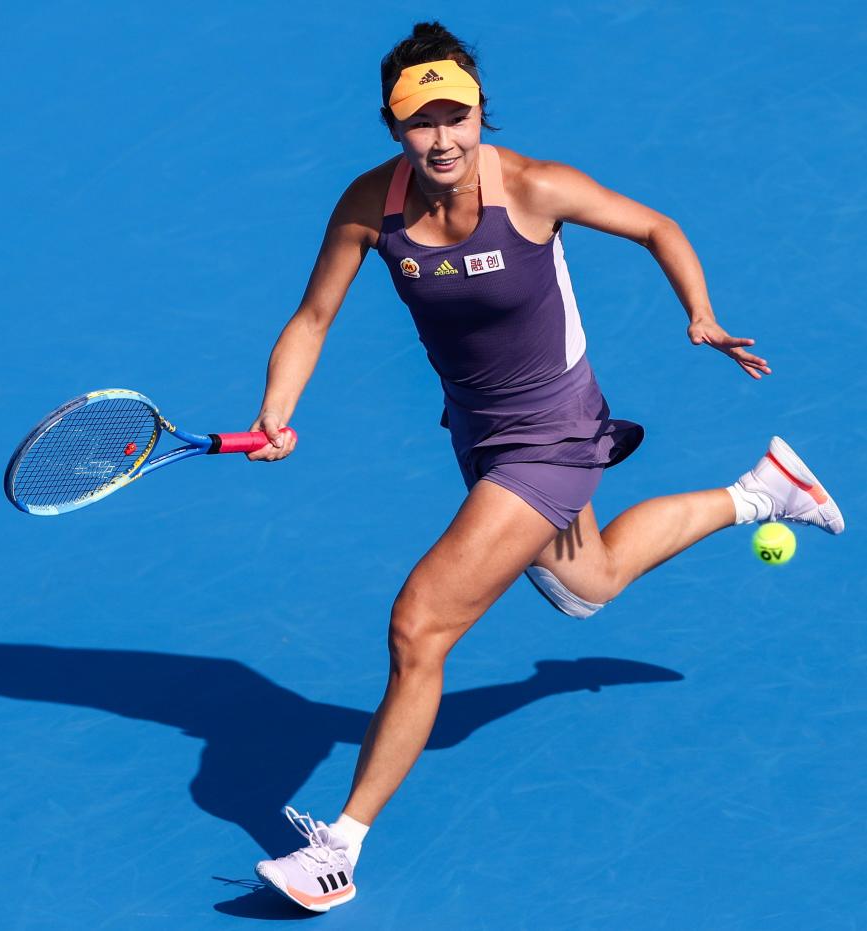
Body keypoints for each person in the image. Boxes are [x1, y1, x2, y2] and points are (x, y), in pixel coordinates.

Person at [247, 22, 845, 913]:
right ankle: (760, 490)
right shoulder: (369, 206)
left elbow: (654, 225)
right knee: (585, 585)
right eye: (421, 123)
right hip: (479, 430)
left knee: (419, 627)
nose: (443, 138)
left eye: (458, 117)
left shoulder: (532, 186)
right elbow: (311, 318)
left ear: (482, 112)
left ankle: (340, 846)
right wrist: (277, 409)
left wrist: (699, 313)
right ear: (391, 127)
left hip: (553, 433)